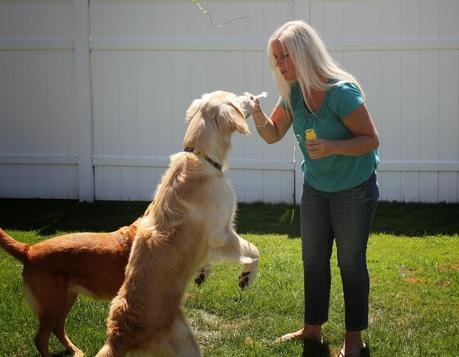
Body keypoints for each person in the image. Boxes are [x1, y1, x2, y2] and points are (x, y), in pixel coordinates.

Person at [246, 20, 380, 356]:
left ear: (304, 54)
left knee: (351, 263)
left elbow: (371, 140)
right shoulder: (293, 93)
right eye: (275, 57)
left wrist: (333, 147)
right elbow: (273, 133)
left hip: (354, 190)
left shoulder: (341, 93)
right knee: (313, 260)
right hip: (316, 188)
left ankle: (353, 339)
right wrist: (257, 113)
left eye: (284, 56)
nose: (278, 64)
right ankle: (312, 329)